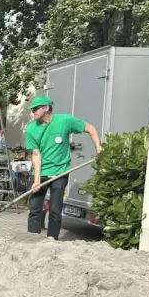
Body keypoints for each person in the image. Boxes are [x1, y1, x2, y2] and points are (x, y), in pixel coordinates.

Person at [24, 95, 103, 240]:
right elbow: (36, 155)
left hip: (60, 172)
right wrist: (36, 181)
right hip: (41, 172)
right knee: (35, 209)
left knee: (55, 209)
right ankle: (32, 240)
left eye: (35, 109)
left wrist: (98, 148)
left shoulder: (65, 121)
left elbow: (90, 128)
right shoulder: (30, 129)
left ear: (45, 108)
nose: (32, 112)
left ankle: (52, 239)